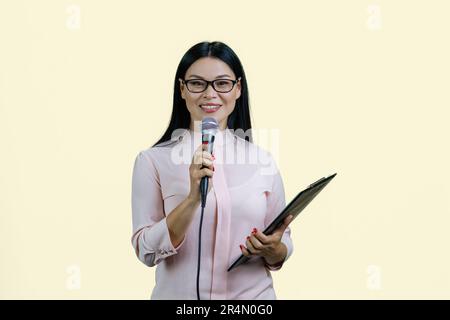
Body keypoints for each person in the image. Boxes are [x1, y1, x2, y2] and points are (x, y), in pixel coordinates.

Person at [131, 41, 294, 300]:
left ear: (238, 88)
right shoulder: (153, 161)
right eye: (197, 83)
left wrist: (275, 250)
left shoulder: (263, 161)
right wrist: (193, 198)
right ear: (182, 89)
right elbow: (145, 250)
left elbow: (282, 243)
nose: (210, 94)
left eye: (222, 83)